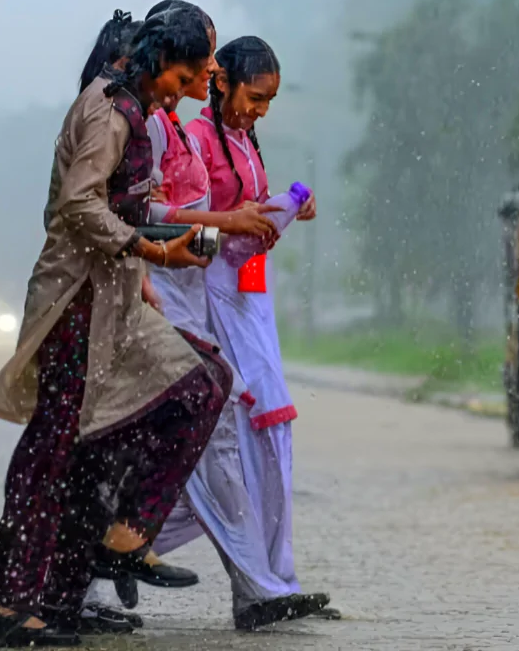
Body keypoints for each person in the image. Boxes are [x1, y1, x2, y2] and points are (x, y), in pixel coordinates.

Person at [0, 9, 231, 648]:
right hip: (74, 303)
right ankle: (10, 603)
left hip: (114, 299)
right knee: (55, 448)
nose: (187, 87)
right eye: (184, 73)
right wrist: (152, 253)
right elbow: (77, 205)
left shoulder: (137, 108)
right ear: (155, 59)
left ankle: (112, 550)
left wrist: (146, 261)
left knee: (199, 384)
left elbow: (121, 205)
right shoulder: (110, 110)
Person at [181, 35, 336, 630]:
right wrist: (244, 221)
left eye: (269, 101)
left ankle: (275, 579)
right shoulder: (193, 141)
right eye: (254, 96)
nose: (259, 110)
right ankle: (263, 584)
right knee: (232, 446)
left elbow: (244, 219)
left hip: (250, 301)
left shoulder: (245, 141)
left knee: (266, 441)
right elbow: (183, 225)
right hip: (211, 303)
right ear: (219, 82)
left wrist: (284, 208)